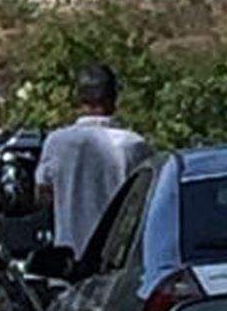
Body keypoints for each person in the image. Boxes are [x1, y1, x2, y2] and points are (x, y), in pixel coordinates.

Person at [36, 64, 154, 254]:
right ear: (113, 99)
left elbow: (43, 194)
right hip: (117, 257)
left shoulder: (56, 143)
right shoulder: (133, 145)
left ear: (79, 98)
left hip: (69, 256)